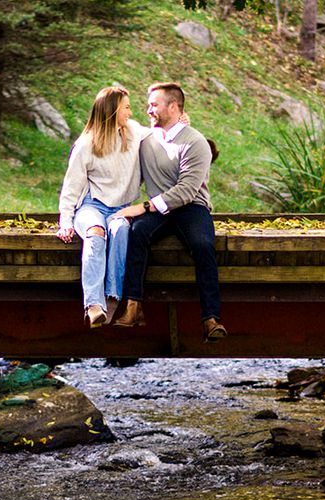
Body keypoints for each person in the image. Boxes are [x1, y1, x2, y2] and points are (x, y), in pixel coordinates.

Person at [111, 82, 226, 343]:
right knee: (137, 233)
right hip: (159, 211)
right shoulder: (146, 138)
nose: (148, 110)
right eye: (148, 105)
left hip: (191, 207)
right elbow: (115, 126)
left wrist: (143, 207)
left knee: (203, 244)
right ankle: (133, 307)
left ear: (173, 107)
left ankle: (211, 319)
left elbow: (186, 191)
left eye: (154, 105)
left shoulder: (195, 142)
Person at [55, 86, 152, 328]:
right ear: (112, 110)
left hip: (121, 208)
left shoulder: (133, 132)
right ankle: (93, 305)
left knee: (120, 232)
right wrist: (65, 222)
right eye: (126, 107)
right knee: (96, 233)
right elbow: (71, 187)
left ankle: (111, 298)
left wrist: (181, 123)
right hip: (92, 206)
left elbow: (159, 136)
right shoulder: (86, 144)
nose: (130, 111)